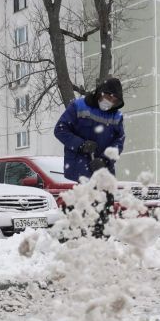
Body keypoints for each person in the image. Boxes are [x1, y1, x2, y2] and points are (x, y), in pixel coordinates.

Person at [54, 77, 125, 237]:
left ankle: (102, 245)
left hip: (104, 171)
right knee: (84, 210)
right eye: (108, 97)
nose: (110, 101)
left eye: (115, 100)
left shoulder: (117, 116)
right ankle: (79, 244)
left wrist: (106, 160)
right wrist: (81, 144)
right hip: (81, 168)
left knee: (104, 210)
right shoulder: (78, 106)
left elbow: (119, 141)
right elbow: (60, 129)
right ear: (100, 93)